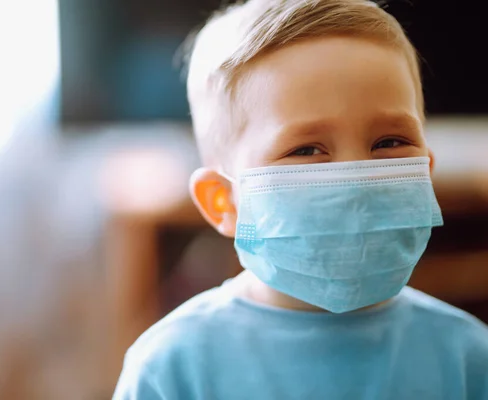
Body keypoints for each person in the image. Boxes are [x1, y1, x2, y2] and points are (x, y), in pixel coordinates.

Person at [113, 0, 488, 398]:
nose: (355, 184)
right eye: (307, 150)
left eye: (390, 142)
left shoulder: (467, 358)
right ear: (224, 201)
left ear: (423, 175)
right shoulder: (172, 368)